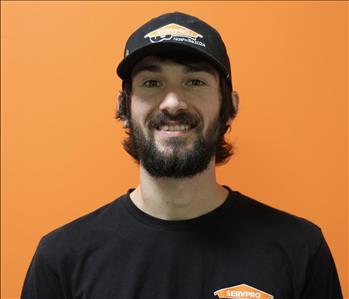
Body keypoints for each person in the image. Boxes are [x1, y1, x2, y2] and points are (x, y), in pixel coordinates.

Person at [21, 12, 342, 299]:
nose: (173, 102)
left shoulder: (299, 249)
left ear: (230, 107)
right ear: (123, 107)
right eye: (152, 82)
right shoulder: (63, 257)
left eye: (195, 81)